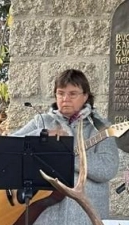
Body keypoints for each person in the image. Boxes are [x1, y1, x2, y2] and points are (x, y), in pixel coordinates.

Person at [12, 69, 120, 225]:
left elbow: (108, 167)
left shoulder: (101, 128)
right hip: (44, 216)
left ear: (85, 97)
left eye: (72, 94)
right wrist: (42, 134)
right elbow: (10, 144)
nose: (65, 99)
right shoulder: (41, 121)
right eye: (60, 93)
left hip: (84, 216)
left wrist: (68, 154)